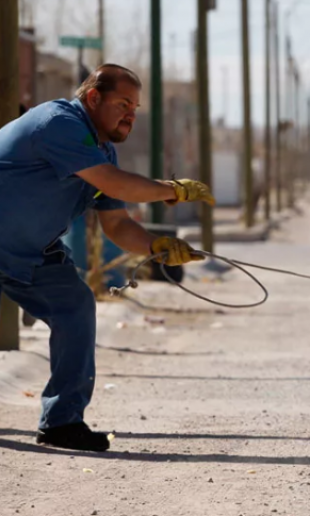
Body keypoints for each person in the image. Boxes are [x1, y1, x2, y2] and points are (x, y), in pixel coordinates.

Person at [0, 64, 215, 452]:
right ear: (93, 97)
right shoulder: (57, 123)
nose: (131, 113)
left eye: (135, 106)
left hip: (29, 256)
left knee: (76, 307)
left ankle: (62, 423)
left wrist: (157, 248)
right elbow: (115, 184)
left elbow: (117, 225)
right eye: (123, 103)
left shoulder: (102, 151)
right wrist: (171, 190)